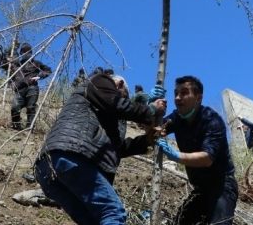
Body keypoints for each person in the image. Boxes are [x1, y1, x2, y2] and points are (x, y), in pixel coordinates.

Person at [35, 70, 166, 224]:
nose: (124, 100)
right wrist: (150, 110)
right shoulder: (100, 81)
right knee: (112, 212)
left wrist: (146, 141)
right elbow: (118, 105)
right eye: (124, 96)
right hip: (73, 155)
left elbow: (117, 148)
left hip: (48, 167)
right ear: (120, 84)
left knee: (94, 221)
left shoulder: (102, 112)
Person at [157, 75, 238, 225]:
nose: (177, 98)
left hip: (222, 186)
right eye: (176, 93)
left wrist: (176, 155)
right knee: (180, 222)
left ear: (198, 97)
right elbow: (154, 129)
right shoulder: (176, 118)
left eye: (184, 93)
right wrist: (151, 107)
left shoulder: (212, 120)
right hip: (200, 189)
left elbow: (207, 158)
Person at [4, 43, 51, 130]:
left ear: (31, 53)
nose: (26, 53)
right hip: (19, 90)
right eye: (24, 51)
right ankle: (16, 126)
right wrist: (8, 57)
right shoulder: (16, 64)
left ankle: (29, 128)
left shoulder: (36, 63)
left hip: (32, 88)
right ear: (21, 53)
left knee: (31, 107)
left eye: (28, 51)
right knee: (15, 107)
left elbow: (48, 71)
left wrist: (39, 76)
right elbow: (4, 63)